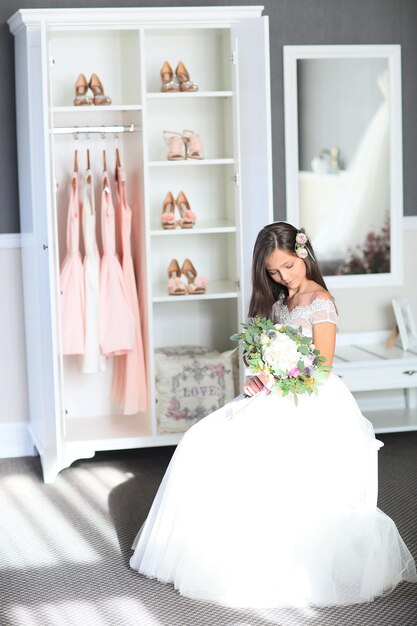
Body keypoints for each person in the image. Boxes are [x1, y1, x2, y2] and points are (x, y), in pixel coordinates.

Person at [130, 222, 417, 607]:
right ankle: (207, 554)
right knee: (200, 440)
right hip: (277, 389)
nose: (283, 277)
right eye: (273, 272)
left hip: (309, 397)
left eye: (288, 267)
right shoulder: (281, 301)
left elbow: (322, 367)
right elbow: (268, 351)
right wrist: (259, 375)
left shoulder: (320, 301)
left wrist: (277, 374)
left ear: (304, 254)